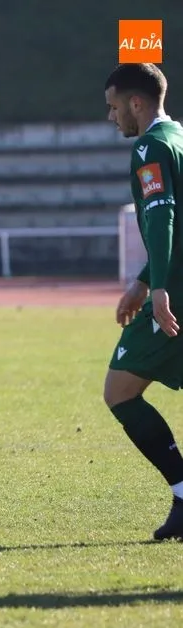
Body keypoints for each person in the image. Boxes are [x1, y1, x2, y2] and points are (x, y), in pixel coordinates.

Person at [104, 63, 183, 540]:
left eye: (114, 107)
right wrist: (141, 281)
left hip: (176, 293)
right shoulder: (179, 137)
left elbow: (162, 217)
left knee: (120, 390)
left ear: (136, 103)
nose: (111, 116)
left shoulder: (150, 146)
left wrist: (158, 288)